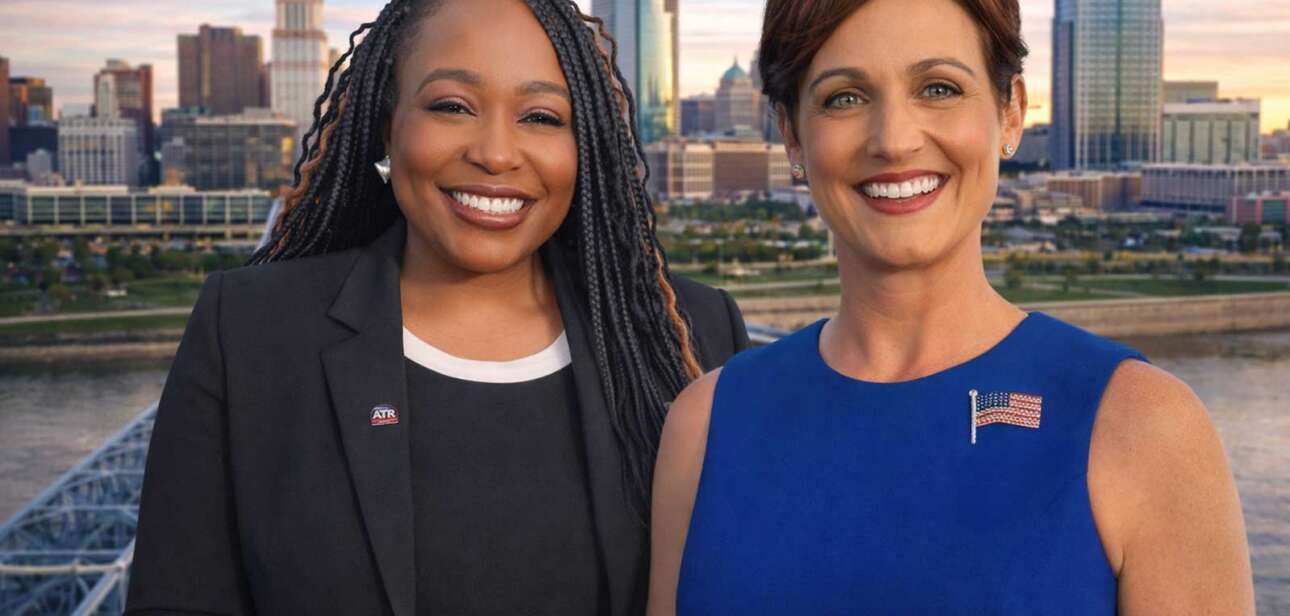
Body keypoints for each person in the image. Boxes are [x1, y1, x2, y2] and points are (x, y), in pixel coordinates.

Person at [126, 0, 748, 614]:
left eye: (541, 116)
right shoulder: (250, 334)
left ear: (586, 147)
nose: (497, 153)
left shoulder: (693, 338)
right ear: (385, 125)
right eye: (452, 106)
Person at [648, 0, 1254, 613]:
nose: (894, 140)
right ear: (791, 135)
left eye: (938, 88)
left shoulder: (1143, 428)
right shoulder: (704, 425)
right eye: (844, 98)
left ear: (1011, 112)